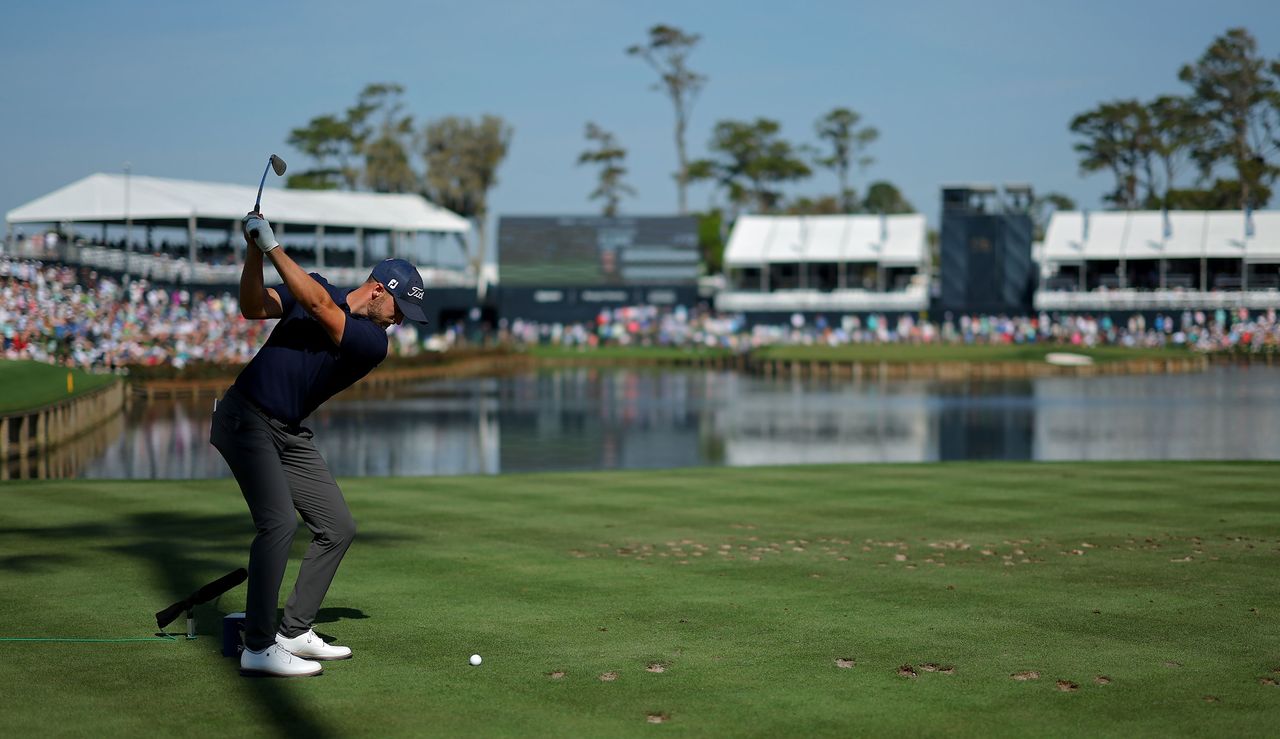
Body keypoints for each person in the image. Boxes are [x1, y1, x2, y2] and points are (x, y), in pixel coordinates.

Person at [211, 211, 428, 677]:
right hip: (244, 417)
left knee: (338, 525)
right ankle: (259, 646)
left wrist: (271, 247)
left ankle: (293, 630)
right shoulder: (317, 286)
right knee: (277, 525)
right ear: (378, 291)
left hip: (289, 431)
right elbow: (253, 305)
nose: (400, 323)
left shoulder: (373, 341)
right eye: (400, 310)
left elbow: (320, 310)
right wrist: (254, 253)